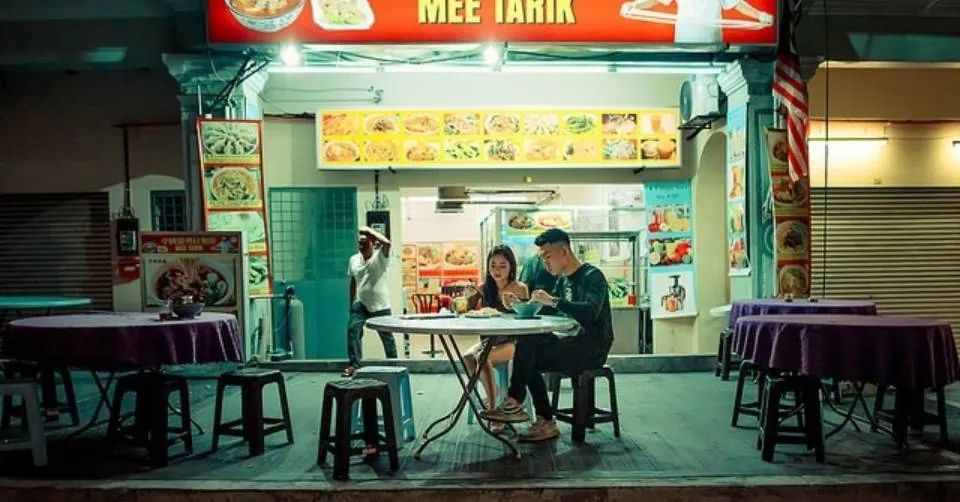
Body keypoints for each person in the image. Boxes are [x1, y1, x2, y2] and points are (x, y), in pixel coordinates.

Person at [481, 228, 614, 442]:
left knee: (529, 355)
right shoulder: (562, 280)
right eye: (542, 257)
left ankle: (525, 409)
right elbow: (551, 311)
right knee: (528, 344)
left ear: (564, 252)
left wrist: (553, 300)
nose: (544, 262)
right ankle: (529, 412)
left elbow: (590, 312)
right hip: (569, 341)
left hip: (592, 347)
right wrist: (517, 305)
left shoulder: (592, 276)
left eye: (547, 256)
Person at [462, 246, 529, 421]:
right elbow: (467, 311)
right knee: (467, 357)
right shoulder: (483, 287)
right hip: (489, 341)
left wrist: (515, 304)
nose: (497, 270)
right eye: (493, 265)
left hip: (513, 342)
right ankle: (496, 391)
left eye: (502, 265)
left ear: (511, 267)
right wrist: (469, 297)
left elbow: (528, 317)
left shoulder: (520, 288)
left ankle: (493, 409)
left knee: (482, 358)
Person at [344, 226, 397, 377]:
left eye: (365, 243)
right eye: (359, 243)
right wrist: (351, 304)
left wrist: (369, 231)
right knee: (353, 331)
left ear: (373, 244)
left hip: (380, 305)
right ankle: (354, 365)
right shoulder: (354, 260)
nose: (361, 246)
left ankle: (394, 366)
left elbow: (387, 243)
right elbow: (353, 282)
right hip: (361, 303)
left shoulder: (380, 258)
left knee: (387, 337)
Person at [624, 0, 774, 45]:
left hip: (712, 45)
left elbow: (737, 3)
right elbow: (654, 0)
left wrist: (760, 16)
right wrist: (634, 6)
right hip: (685, 45)